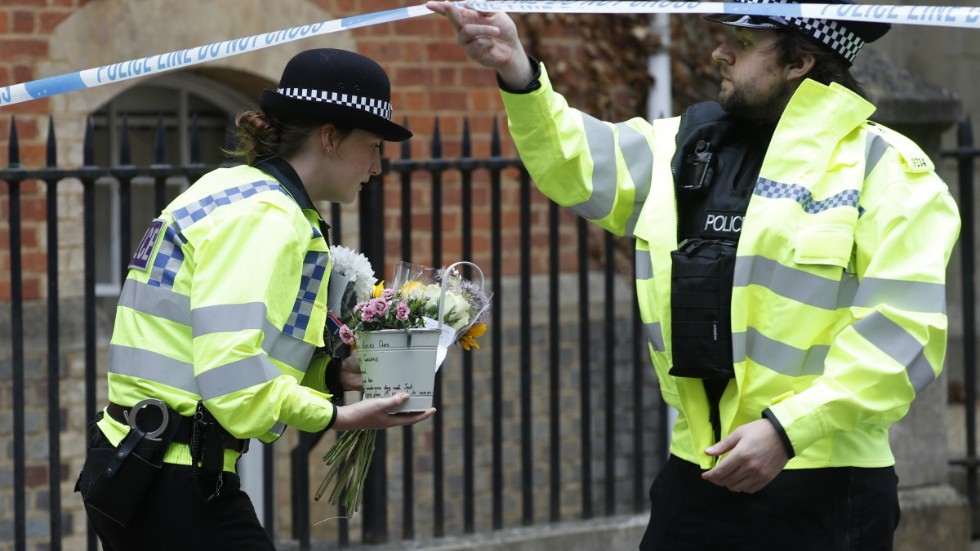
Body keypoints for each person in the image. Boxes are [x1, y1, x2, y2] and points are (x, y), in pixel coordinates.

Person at [427, 0, 960, 549]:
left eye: (745, 43)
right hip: (698, 476)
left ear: (800, 62)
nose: (719, 51)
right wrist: (517, 69)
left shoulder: (890, 172)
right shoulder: (685, 144)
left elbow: (902, 335)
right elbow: (577, 162)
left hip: (826, 483)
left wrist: (787, 430)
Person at [74, 48, 436, 550]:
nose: (377, 166)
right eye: (373, 145)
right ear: (330, 137)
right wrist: (337, 415)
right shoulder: (267, 217)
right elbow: (232, 377)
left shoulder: (235, 189)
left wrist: (331, 374)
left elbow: (228, 347)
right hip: (174, 479)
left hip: (144, 465)